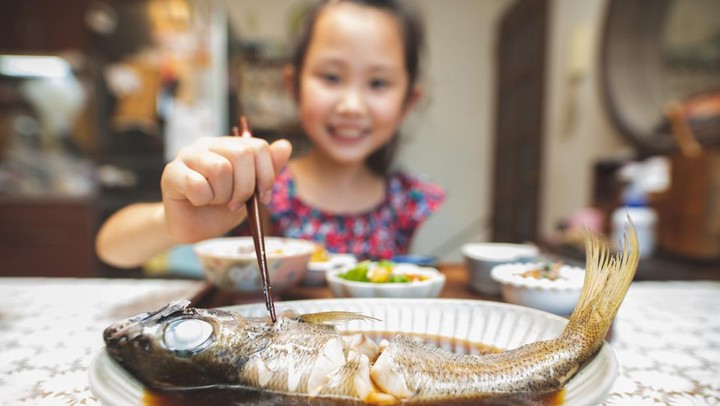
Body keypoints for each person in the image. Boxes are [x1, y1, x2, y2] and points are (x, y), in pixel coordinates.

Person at [95, 0, 445, 269]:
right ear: (293, 85)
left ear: (408, 101)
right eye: (332, 77)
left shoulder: (406, 200)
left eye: (379, 83)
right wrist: (169, 224)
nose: (352, 105)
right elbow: (110, 247)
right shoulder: (258, 186)